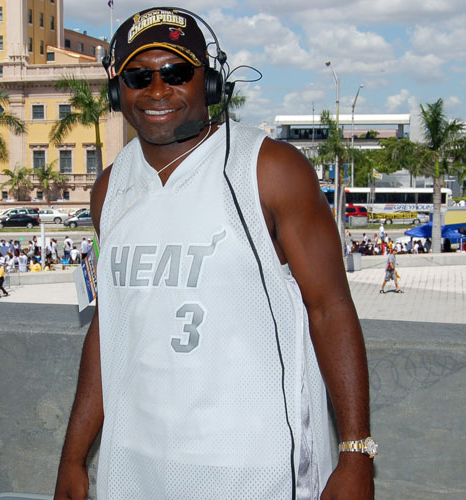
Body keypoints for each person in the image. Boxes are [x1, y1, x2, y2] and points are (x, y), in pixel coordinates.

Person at [54, 8, 374, 500]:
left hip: (256, 466)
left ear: (211, 82)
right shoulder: (108, 190)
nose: (158, 91)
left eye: (177, 73)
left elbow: (329, 309)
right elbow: (109, 326)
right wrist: (74, 457)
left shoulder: (269, 169)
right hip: (136, 464)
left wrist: (355, 452)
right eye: (139, 77)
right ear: (120, 93)